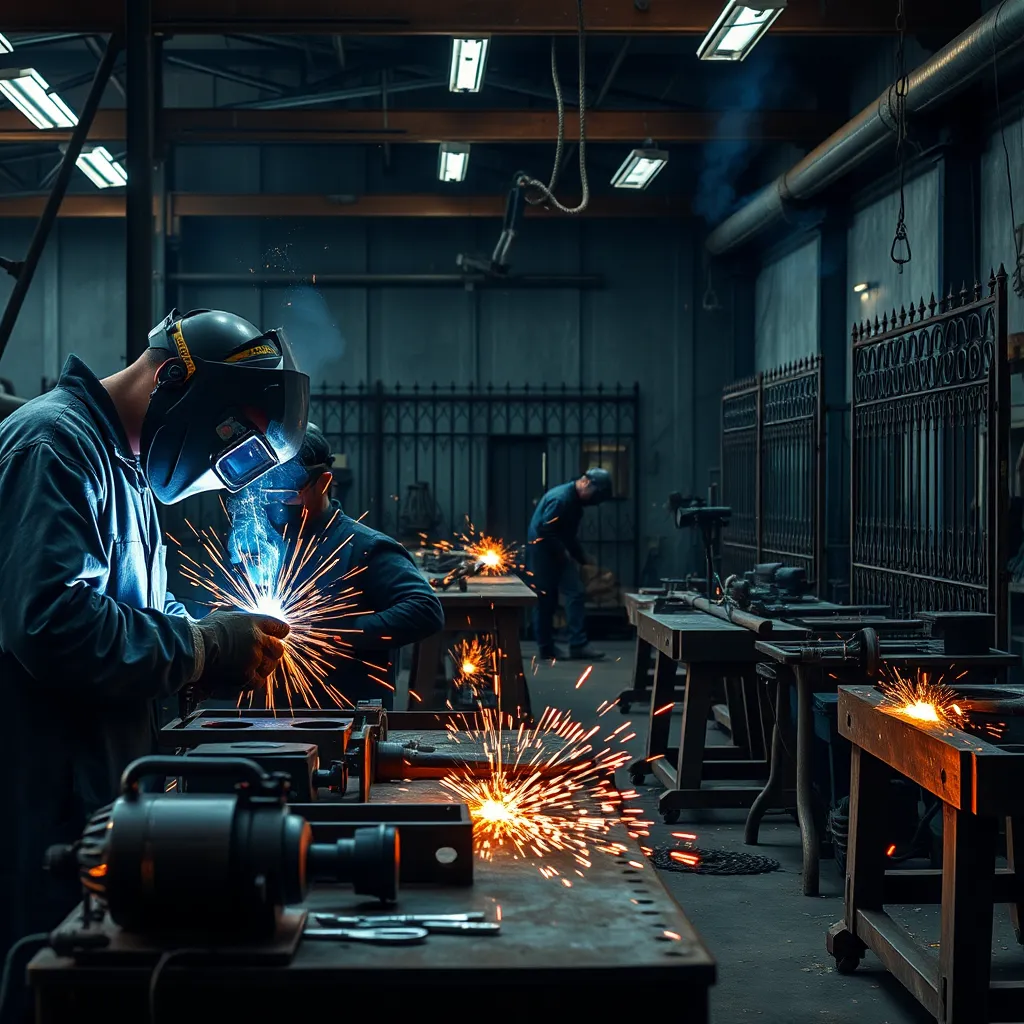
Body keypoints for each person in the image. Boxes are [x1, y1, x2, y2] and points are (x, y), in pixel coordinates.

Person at [0, 308, 309, 968]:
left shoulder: (126, 470)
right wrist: (203, 647)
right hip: (40, 791)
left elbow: (144, 610)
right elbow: (53, 622)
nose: (221, 457)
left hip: (96, 786)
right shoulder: (53, 446)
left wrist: (210, 648)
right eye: (232, 432)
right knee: (45, 974)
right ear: (173, 378)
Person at [228, 423, 444, 709]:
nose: (278, 503)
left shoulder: (363, 547)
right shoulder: (258, 543)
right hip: (267, 715)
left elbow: (425, 609)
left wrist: (342, 632)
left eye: (288, 492)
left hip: (344, 715)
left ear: (324, 482)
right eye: (270, 492)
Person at [527, 468, 613, 661]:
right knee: (545, 600)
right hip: (543, 554)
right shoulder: (562, 500)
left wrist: (582, 558)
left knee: (573, 592)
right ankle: (548, 648)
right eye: (596, 495)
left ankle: (576, 644)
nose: (595, 501)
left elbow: (567, 535)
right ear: (586, 483)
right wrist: (565, 554)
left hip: (553, 552)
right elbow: (545, 530)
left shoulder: (573, 502)